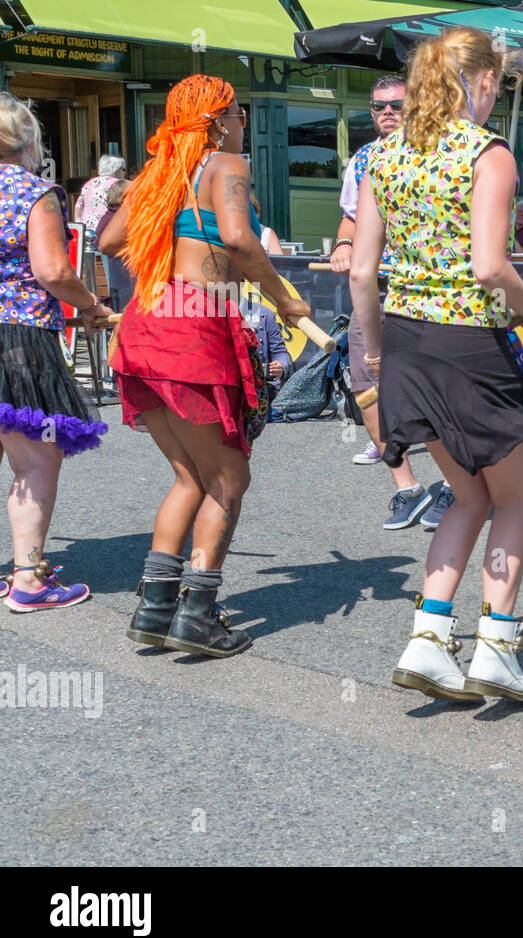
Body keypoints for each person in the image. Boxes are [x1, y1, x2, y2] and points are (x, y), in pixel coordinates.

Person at [351, 27, 523, 703]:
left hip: (408, 342)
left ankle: (428, 639)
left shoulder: (384, 155)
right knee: (514, 498)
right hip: (470, 343)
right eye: (498, 79)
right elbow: (490, 266)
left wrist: (378, 351)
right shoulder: (486, 153)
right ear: (483, 79)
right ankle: (497, 645)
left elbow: (360, 270)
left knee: (465, 496)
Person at [99, 75, 313, 657]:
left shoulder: (163, 171)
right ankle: (197, 615)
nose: (244, 120)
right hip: (193, 329)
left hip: (147, 322)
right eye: (239, 111)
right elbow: (242, 240)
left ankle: (156, 608)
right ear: (220, 119)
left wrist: (174, 248)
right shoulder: (226, 162)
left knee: (190, 477)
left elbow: (110, 239)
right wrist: (284, 298)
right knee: (227, 479)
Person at [0, 93, 111, 610]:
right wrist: (89, 304)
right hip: (18, 338)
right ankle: (28, 580)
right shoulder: (35, 192)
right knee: (36, 462)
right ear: (27, 141)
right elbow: (52, 271)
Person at [330, 74, 454, 531]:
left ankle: (456, 483)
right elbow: (349, 220)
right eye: (378, 106)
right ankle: (407, 486)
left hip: (424, 290)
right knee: (366, 386)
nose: (387, 112)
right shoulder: (363, 158)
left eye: (396, 105)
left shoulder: (441, 149)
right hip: (373, 290)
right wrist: (342, 246)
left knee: (433, 387)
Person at [75, 153, 127, 239]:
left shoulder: (89, 183)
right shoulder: (118, 184)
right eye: (123, 169)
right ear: (116, 169)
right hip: (106, 231)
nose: (124, 172)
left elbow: (78, 206)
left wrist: (79, 224)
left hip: (87, 233)